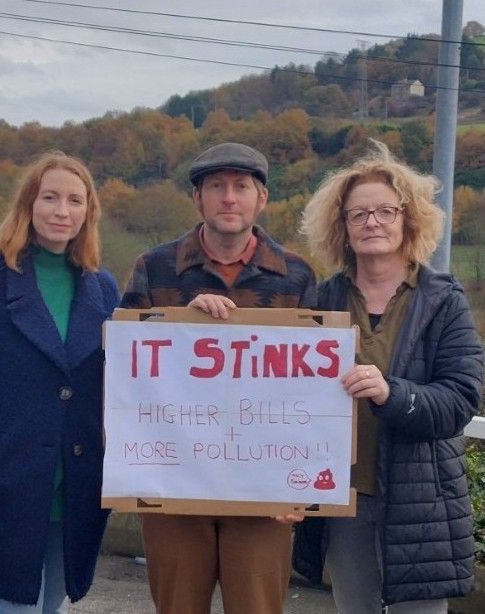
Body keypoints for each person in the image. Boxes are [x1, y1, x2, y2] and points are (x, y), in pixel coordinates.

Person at [121, 141, 316, 614]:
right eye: (216, 187)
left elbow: (314, 389)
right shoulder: (155, 267)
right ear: (198, 199)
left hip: (263, 485)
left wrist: (303, 487)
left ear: (261, 199)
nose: (229, 197)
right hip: (175, 480)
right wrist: (177, 325)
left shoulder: (296, 275)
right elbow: (121, 365)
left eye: (241, 187)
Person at [294, 140, 484, 613]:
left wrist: (392, 393)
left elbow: (461, 399)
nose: (372, 222)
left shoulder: (444, 301)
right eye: (358, 215)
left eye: (384, 210)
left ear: (408, 219)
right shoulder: (321, 300)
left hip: (420, 503)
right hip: (343, 498)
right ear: (341, 228)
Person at [0, 151, 119, 612]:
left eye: (75, 200)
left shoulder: (103, 288)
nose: (63, 211)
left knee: (53, 604)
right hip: (9, 476)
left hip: (78, 482)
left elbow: (126, 377)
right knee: (16, 604)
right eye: (51, 197)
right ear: (28, 204)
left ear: (89, 212)